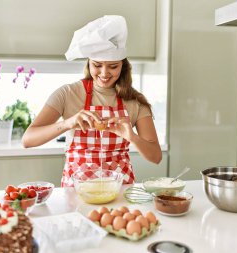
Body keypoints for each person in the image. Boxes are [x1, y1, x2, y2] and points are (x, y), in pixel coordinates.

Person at [22, 15, 162, 187]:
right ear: (88, 64)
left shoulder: (135, 102)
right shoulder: (67, 94)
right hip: (76, 193)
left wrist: (131, 136)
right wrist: (69, 123)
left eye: (113, 66)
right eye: (97, 65)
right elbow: (28, 140)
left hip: (120, 193)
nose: (104, 73)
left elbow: (156, 157)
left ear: (123, 65)